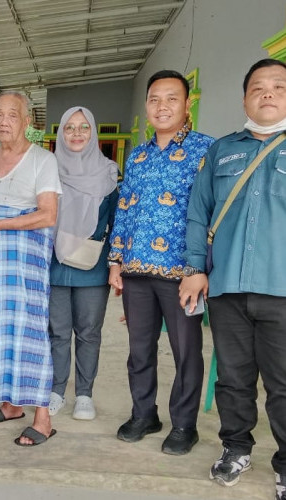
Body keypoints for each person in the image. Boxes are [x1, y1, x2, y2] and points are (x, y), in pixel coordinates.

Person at [181, 58, 286, 497]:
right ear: (244, 97)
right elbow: (197, 213)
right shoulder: (222, 150)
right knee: (234, 378)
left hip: (281, 290)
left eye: (279, 86)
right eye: (258, 87)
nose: (267, 93)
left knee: (283, 382)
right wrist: (193, 270)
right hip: (227, 289)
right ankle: (235, 447)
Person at [108, 70, 214, 456]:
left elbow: (213, 213)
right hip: (137, 271)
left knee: (186, 351)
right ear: (146, 106)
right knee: (139, 349)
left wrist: (198, 269)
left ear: (188, 106)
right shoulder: (137, 154)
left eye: (172, 98)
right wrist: (116, 261)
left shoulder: (206, 151)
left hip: (182, 273)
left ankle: (184, 425)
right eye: (155, 99)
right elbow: (124, 210)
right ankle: (143, 414)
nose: (163, 106)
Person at [0, 91, 61, 447]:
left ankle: (43, 417)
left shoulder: (42, 160)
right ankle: (10, 404)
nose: (4, 121)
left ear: (26, 121)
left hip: (25, 264)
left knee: (30, 333)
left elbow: (48, 215)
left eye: (12, 115)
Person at [48, 106, 119, 420]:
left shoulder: (108, 173)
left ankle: (85, 395)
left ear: (93, 133)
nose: (76, 134)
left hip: (93, 265)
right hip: (53, 262)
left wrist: (117, 264)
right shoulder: (47, 169)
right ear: (61, 133)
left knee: (89, 331)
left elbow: (117, 222)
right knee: (57, 332)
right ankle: (56, 389)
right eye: (69, 128)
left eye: (83, 128)